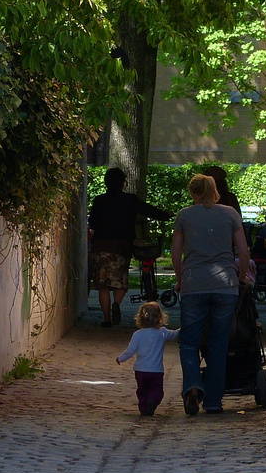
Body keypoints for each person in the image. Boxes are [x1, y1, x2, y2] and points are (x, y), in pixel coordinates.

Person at [171, 174, 252, 415]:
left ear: (192, 192)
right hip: (225, 285)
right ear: (214, 190)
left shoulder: (184, 215)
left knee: (189, 342)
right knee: (219, 344)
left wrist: (180, 279)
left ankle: (193, 386)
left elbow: (176, 252)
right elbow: (243, 251)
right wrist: (241, 276)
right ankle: (214, 401)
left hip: (194, 285)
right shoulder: (229, 214)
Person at [88, 167, 172, 327]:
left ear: (106, 182)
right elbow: (147, 209)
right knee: (120, 280)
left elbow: (92, 223)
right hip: (121, 246)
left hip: (101, 245)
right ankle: (117, 304)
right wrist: (165, 215)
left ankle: (106, 320)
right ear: (122, 183)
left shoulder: (99, 200)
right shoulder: (130, 200)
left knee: (103, 285)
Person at [115, 301, 179, 417]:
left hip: (140, 370)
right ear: (160, 317)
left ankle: (144, 408)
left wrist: (120, 358)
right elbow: (175, 335)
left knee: (142, 390)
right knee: (157, 390)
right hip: (156, 370)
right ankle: (152, 401)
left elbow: (130, 350)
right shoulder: (162, 333)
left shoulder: (138, 334)